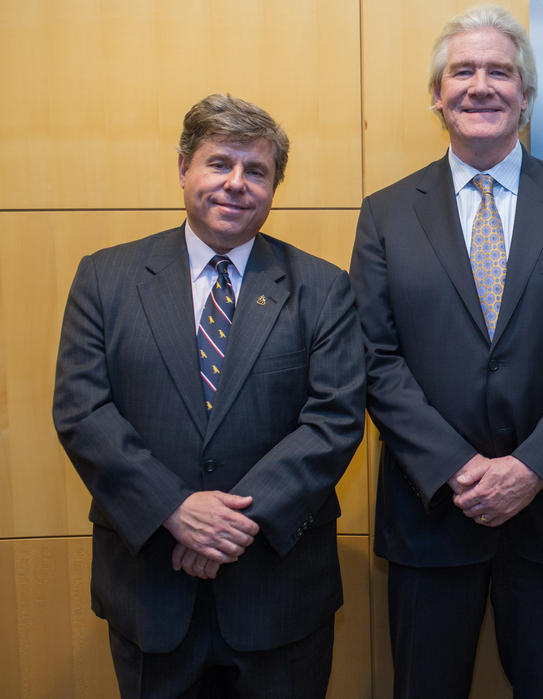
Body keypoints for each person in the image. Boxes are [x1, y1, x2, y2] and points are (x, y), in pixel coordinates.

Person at [350, 5, 543, 699]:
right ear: (437, 96)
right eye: (463, 71)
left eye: (500, 71)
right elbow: (373, 355)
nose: (481, 85)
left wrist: (529, 468)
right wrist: (458, 467)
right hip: (431, 513)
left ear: (526, 96)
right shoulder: (386, 213)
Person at [53, 93, 365, 698]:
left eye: (257, 170)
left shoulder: (324, 289)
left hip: (279, 593)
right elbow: (82, 410)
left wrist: (226, 525)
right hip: (152, 592)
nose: (236, 184)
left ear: (275, 185)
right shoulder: (105, 278)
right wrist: (175, 510)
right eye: (220, 163)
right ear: (183, 169)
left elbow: (334, 420)